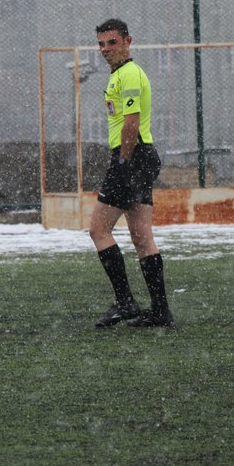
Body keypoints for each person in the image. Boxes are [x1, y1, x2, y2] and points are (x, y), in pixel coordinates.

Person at [88, 19, 174, 328]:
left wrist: (123, 163)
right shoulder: (119, 75)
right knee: (141, 236)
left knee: (98, 229)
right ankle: (160, 311)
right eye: (101, 43)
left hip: (133, 156)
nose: (105, 49)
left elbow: (131, 122)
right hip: (140, 157)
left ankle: (125, 302)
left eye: (111, 42)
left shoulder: (130, 75)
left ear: (128, 41)